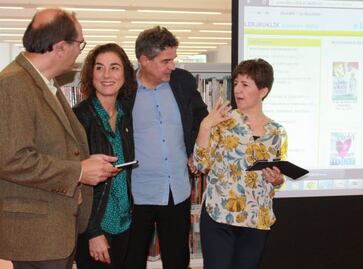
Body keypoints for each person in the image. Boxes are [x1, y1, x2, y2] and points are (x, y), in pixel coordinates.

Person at [0, 9, 119, 269]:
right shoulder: (12, 85)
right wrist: (78, 170)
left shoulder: (44, 83)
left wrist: (86, 162)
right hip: (36, 236)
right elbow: (11, 159)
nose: (80, 51)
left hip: (55, 230)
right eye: (80, 44)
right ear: (61, 47)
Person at [124, 26, 208, 269]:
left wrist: (194, 150)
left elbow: (200, 117)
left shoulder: (182, 81)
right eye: (165, 61)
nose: (172, 66)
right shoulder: (124, 90)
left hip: (176, 191)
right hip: (136, 193)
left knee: (177, 260)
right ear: (144, 60)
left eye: (174, 59)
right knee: (132, 259)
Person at [193, 58, 287, 269]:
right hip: (220, 216)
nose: (237, 89)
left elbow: (278, 176)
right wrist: (205, 126)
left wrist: (277, 179)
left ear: (263, 91)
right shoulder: (221, 122)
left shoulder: (276, 132)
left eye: (245, 84)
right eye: (236, 83)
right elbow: (201, 165)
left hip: (256, 219)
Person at [73, 43, 137, 269]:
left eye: (114, 67)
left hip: (125, 221)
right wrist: (93, 232)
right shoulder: (79, 118)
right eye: (99, 68)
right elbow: (75, 179)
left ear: (125, 74)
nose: (107, 75)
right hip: (96, 226)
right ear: (91, 75)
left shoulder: (125, 115)